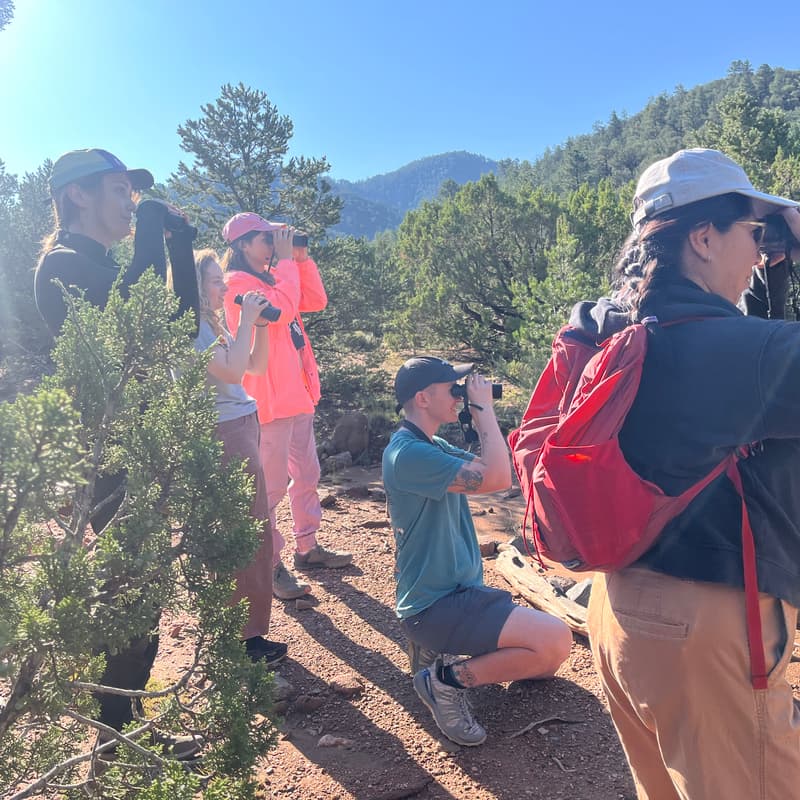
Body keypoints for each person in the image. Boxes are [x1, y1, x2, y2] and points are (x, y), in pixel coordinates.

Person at [571, 148, 800, 799]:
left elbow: (750, 364)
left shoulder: (619, 326)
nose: (760, 251)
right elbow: (760, 360)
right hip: (708, 631)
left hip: (619, 612)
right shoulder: (737, 354)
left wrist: (775, 282)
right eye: (753, 232)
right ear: (703, 237)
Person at [34, 148, 199, 757]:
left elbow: (177, 324)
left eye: (134, 193)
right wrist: (152, 227)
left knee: (143, 592)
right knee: (132, 593)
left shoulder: (100, 263)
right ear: (77, 195)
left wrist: (179, 246)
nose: (131, 202)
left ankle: (122, 729)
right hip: (111, 456)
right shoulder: (62, 265)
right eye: (119, 189)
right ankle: (116, 739)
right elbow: (131, 316)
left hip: (140, 448)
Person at [382, 357, 572, 746]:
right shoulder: (409, 455)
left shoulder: (430, 445)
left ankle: (441, 650)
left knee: (546, 662)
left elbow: (492, 466)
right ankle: (443, 681)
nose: (459, 396)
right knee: (556, 639)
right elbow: (498, 478)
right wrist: (483, 409)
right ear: (423, 398)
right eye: (451, 389)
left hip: (458, 594)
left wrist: (477, 411)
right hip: (435, 605)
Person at [220, 213, 352, 601]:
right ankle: (271, 563)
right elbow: (283, 311)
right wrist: (285, 263)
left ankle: (307, 547)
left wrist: (300, 259)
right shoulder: (237, 285)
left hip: (297, 396)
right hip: (269, 403)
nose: (272, 244)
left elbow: (315, 300)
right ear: (243, 245)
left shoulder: (274, 276)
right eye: (265, 238)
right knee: (272, 489)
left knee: (307, 475)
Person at [193, 249, 287, 665]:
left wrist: (259, 326)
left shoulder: (212, 324)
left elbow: (254, 367)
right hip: (224, 431)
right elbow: (231, 372)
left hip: (242, 423)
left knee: (254, 530)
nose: (224, 287)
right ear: (197, 285)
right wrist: (246, 318)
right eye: (216, 281)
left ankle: (247, 634)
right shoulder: (192, 328)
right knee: (243, 531)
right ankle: (241, 641)